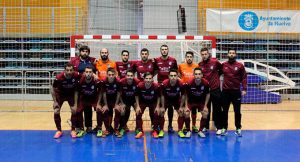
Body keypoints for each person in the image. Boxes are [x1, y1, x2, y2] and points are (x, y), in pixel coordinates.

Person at [69, 45, 96, 133]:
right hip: (77, 87)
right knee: (78, 107)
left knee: (88, 108)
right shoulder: (74, 61)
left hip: (88, 86)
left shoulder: (92, 60)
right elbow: (70, 71)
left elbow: (95, 70)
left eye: (86, 51)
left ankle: (89, 126)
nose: (85, 53)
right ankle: (77, 126)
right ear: (80, 52)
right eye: (83, 51)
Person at [221, 48, 247, 137]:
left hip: (236, 91)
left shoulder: (240, 66)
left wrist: (244, 89)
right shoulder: (223, 65)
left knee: (237, 111)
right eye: (230, 53)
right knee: (224, 111)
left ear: (235, 55)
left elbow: (244, 77)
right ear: (227, 54)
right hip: (225, 91)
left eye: (233, 53)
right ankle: (224, 128)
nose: (231, 54)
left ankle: (238, 128)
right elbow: (216, 74)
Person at [51, 63, 80, 139]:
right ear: (64, 70)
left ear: (73, 70)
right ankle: (59, 130)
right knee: (56, 111)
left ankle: (73, 130)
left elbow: (76, 91)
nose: (69, 72)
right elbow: (52, 89)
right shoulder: (59, 77)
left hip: (71, 95)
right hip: (60, 95)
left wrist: (76, 104)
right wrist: (55, 102)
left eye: (71, 70)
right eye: (67, 70)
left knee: (74, 110)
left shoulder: (76, 75)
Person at [199, 47, 223, 135]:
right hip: (205, 91)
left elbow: (221, 70)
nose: (204, 56)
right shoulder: (200, 65)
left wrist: (216, 77)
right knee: (206, 109)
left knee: (217, 109)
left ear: (208, 54)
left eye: (205, 54)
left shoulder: (215, 62)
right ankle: (205, 126)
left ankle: (219, 127)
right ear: (201, 55)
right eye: (202, 54)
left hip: (215, 89)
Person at [154, 44, 178, 133]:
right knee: (161, 107)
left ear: (168, 50)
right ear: (160, 51)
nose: (164, 50)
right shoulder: (156, 60)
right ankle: (159, 126)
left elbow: (176, 73)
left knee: (170, 107)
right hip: (161, 87)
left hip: (171, 87)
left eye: (165, 49)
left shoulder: (173, 60)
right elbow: (154, 71)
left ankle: (170, 125)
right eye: (162, 49)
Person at [76, 66, 102, 138]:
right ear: (84, 73)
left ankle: (99, 128)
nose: (88, 74)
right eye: (87, 72)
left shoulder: (96, 80)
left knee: (99, 110)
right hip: (84, 98)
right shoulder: (81, 80)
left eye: (90, 72)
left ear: (93, 73)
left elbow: (100, 92)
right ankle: (81, 129)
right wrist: (76, 103)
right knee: (78, 111)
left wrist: (99, 103)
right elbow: (77, 92)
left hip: (93, 98)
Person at [97, 68, 122, 138]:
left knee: (118, 110)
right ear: (107, 75)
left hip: (115, 100)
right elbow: (103, 94)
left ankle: (116, 129)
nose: (111, 76)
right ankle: (107, 129)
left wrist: (117, 104)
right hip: (106, 100)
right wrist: (105, 105)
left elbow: (119, 93)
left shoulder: (118, 82)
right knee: (105, 110)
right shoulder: (104, 82)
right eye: (109, 75)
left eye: (112, 75)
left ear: (115, 75)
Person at [185, 68, 210, 138]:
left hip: (201, 102)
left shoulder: (205, 83)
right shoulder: (189, 83)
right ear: (193, 75)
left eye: (199, 74)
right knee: (186, 113)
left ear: (202, 75)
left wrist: (205, 106)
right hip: (191, 102)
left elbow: (208, 94)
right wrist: (186, 105)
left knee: (205, 113)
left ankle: (200, 131)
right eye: (196, 74)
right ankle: (188, 131)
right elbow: (186, 95)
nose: (197, 76)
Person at [160, 69, 186, 138]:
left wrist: (181, 106)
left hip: (176, 100)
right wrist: (162, 106)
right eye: (171, 76)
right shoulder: (164, 83)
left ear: (177, 76)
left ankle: (180, 130)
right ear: (168, 76)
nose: (173, 77)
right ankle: (161, 130)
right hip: (166, 100)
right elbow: (162, 95)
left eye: (175, 75)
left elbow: (183, 95)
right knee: (161, 112)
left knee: (181, 112)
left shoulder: (181, 84)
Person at [135, 72, 161, 139]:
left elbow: (159, 97)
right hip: (143, 102)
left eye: (150, 78)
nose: (148, 80)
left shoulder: (156, 86)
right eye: (146, 78)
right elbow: (137, 96)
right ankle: (140, 130)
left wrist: (158, 106)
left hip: (153, 102)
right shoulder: (140, 86)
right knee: (138, 113)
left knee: (156, 113)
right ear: (144, 79)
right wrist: (137, 106)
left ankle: (154, 130)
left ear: (152, 79)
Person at [178, 51, 199, 132]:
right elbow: (179, 74)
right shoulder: (181, 66)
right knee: (183, 110)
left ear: (193, 57)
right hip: (184, 91)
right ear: (185, 57)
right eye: (188, 56)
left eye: (191, 56)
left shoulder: (196, 66)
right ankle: (185, 127)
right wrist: (183, 81)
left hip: (193, 91)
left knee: (193, 110)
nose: (189, 58)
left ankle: (193, 126)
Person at [118, 69, 140, 134]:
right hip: (124, 100)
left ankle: (138, 128)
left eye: (131, 75)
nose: (130, 77)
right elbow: (119, 94)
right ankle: (122, 126)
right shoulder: (121, 82)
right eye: (128, 75)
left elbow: (137, 95)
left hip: (134, 100)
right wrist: (121, 103)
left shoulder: (137, 82)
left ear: (133, 76)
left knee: (138, 111)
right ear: (125, 76)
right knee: (123, 111)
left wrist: (138, 105)